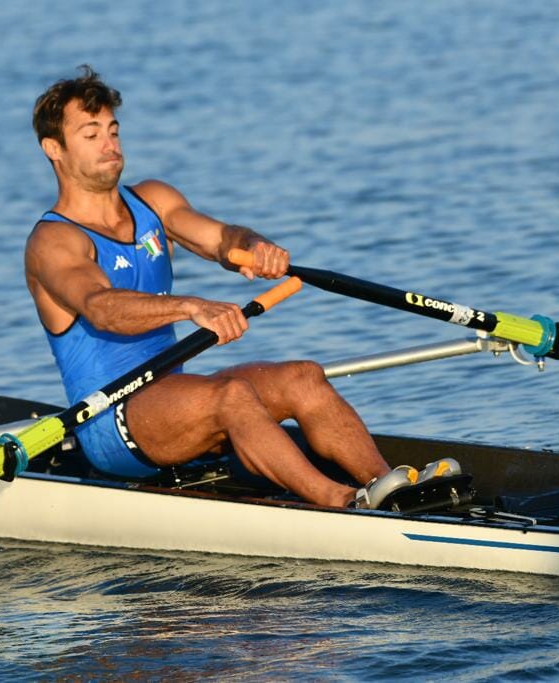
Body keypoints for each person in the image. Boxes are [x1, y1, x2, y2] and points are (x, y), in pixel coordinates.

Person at [25, 66, 452, 509]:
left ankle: (390, 487)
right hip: (111, 420)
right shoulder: (54, 241)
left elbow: (221, 239)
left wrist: (254, 246)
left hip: (174, 400)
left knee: (301, 378)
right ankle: (342, 503)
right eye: (91, 135)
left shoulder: (152, 200)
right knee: (231, 397)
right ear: (53, 148)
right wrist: (190, 306)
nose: (110, 145)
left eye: (113, 130)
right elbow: (102, 308)